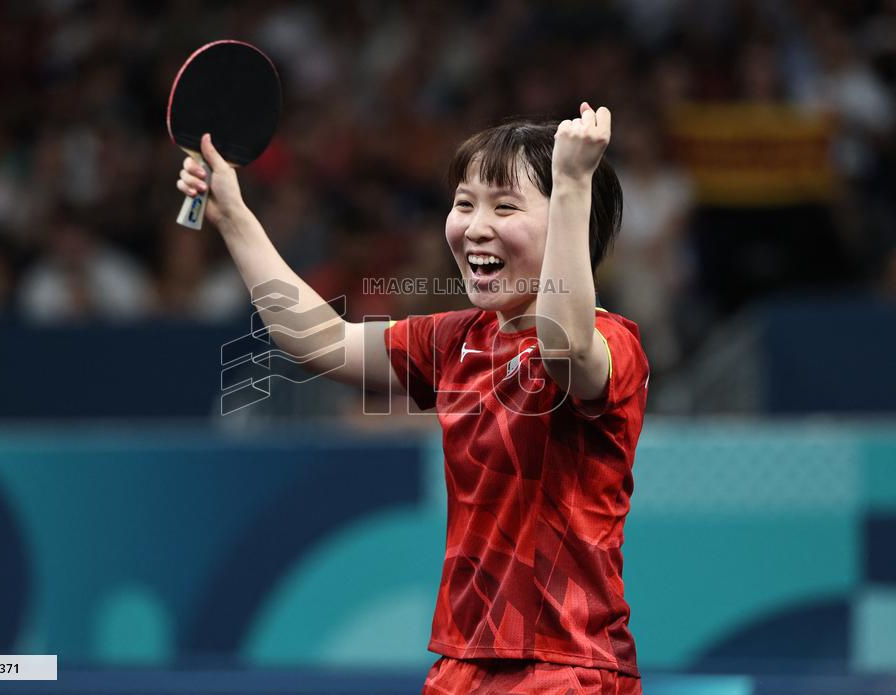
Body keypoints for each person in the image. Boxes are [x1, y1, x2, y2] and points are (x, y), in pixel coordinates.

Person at [176, 102, 648, 695]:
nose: (475, 226)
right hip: (462, 664)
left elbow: (566, 348)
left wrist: (575, 180)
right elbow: (319, 340)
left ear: (573, 222)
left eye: (505, 206)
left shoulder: (612, 345)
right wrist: (234, 215)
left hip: (567, 666)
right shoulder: (454, 340)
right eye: (464, 202)